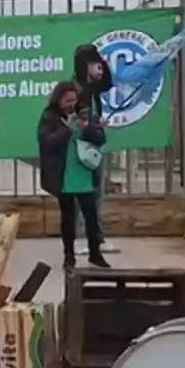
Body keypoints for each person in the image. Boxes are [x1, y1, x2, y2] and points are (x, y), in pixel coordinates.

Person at [37, 80, 111, 269]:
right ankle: (69, 256)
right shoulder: (50, 117)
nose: (71, 104)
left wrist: (88, 128)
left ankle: (95, 253)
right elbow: (47, 143)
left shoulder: (83, 115)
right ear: (59, 100)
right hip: (64, 175)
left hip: (84, 173)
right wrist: (66, 129)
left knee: (91, 216)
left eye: (73, 100)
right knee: (68, 217)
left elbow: (100, 139)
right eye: (67, 100)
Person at [71, 43, 119, 255]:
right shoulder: (77, 91)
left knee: (96, 194)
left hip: (92, 148)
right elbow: (78, 124)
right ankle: (80, 238)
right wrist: (95, 128)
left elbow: (108, 81)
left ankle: (96, 239)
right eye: (94, 62)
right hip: (80, 149)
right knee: (82, 195)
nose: (100, 66)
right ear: (84, 65)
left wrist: (96, 124)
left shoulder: (91, 90)